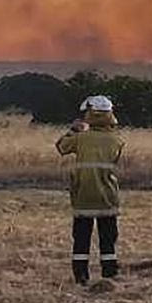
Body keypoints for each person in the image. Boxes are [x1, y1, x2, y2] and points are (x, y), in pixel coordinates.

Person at [55, 95, 124, 286]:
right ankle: (109, 274)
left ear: (91, 113)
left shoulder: (80, 139)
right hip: (107, 197)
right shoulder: (117, 140)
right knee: (108, 239)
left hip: (83, 196)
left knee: (81, 239)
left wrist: (73, 130)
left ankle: (81, 276)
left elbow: (61, 147)